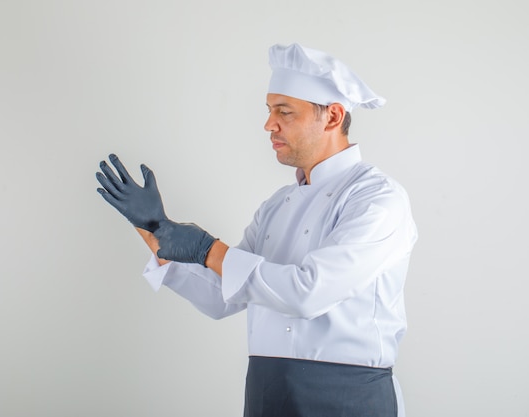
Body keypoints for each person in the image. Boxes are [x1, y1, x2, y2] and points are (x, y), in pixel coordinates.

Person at [96, 43, 418, 417]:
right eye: (269, 111)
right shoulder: (276, 205)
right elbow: (222, 296)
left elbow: (307, 293)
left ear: (332, 116)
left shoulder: (377, 198)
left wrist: (208, 249)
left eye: (285, 112)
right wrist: (155, 231)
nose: (269, 124)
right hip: (267, 390)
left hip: (346, 396)